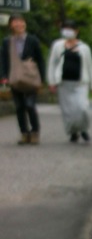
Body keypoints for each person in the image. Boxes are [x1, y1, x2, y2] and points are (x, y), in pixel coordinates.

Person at [47, 20, 92, 143]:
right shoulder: (58, 45)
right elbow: (52, 64)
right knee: (68, 111)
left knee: (82, 108)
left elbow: (90, 66)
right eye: (65, 28)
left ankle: (83, 129)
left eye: (71, 29)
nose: (68, 31)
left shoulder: (84, 48)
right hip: (64, 83)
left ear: (76, 31)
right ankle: (72, 132)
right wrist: (51, 81)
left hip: (80, 83)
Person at [0, 14, 46, 145]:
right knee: (19, 106)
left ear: (25, 23)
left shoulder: (33, 40)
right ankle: (24, 133)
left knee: (30, 105)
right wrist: (3, 76)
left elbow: (40, 60)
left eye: (21, 21)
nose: (18, 24)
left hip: (30, 78)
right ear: (10, 25)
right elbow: (3, 60)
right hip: (14, 77)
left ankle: (35, 131)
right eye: (15, 22)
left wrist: (42, 79)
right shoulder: (7, 41)